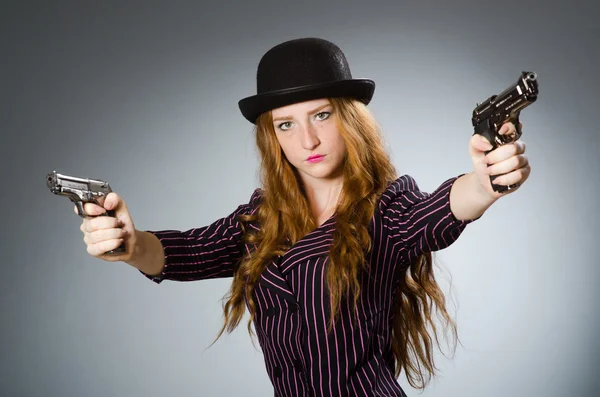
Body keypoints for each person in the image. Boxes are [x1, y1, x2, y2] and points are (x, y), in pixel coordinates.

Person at [76, 38, 530, 396]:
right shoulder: (259, 219)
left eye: (321, 115)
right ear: (273, 137)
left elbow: (441, 210)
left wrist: (488, 180)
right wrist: (129, 244)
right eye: (286, 124)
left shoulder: (386, 208)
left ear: (349, 119)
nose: (307, 140)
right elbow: (186, 252)